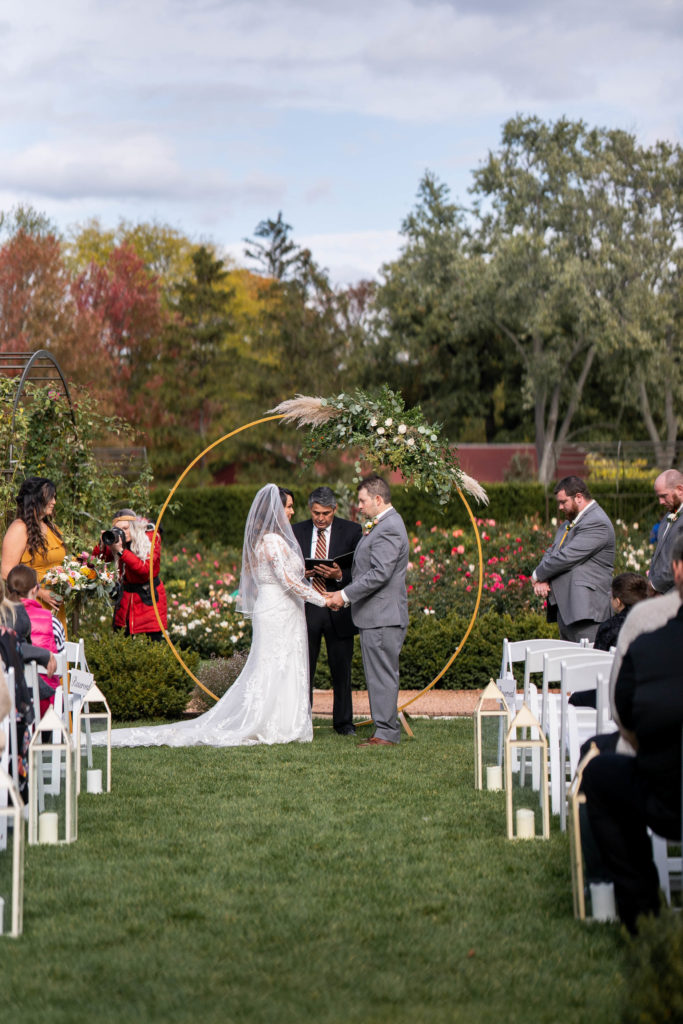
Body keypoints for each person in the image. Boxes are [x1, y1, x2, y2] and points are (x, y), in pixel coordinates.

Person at [98, 484, 326, 748]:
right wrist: (324, 599)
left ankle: (281, 718)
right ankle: (273, 721)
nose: (292, 511)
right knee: (275, 665)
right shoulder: (273, 540)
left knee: (279, 665)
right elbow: (286, 580)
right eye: (288, 506)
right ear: (275, 509)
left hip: (281, 608)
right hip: (278, 609)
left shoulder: (270, 539)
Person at [580, 532, 683, 934]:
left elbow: (623, 715)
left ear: (675, 570)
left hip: (667, 796)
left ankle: (640, 914)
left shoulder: (647, 638)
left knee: (601, 772)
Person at [327, 475, 409, 747]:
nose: (359, 506)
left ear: (377, 499)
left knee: (383, 675)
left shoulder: (389, 527)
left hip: (383, 616)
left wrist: (345, 594)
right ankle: (382, 729)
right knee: (378, 675)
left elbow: (380, 573)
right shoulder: (382, 524)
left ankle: (386, 733)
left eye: (362, 501)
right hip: (376, 615)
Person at [292, 486, 362, 736]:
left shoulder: (353, 531)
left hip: (337, 606)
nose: (320, 518)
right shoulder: (296, 530)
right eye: (315, 513)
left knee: (341, 669)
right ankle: (302, 720)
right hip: (307, 608)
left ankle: (343, 723)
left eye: (325, 513)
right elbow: (286, 570)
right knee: (304, 669)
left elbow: (362, 571)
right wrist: (304, 573)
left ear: (335, 509)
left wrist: (340, 574)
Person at [531, 476, 615, 643]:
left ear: (578, 497)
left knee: (588, 665)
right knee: (569, 666)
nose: (560, 507)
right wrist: (542, 579)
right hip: (568, 610)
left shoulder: (597, 522)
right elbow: (552, 552)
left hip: (587, 610)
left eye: (563, 502)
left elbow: (567, 557)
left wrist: (537, 575)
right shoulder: (568, 524)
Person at [1, 477, 67, 629]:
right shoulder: (20, 528)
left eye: (55, 497)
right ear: (35, 499)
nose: (54, 502)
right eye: (50, 497)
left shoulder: (52, 528)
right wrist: (40, 592)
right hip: (32, 603)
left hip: (55, 605)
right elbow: (6, 572)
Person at [94, 510, 168, 640]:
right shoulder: (118, 541)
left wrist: (122, 552)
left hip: (148, 599)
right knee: (123, 642)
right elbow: (96, 562)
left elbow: (145, 570)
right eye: (117, 529)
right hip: (126, 601)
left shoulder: (150, 537)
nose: (122, 532)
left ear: (134, 526)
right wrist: (102, 544)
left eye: (125, 528)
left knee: (151, 645)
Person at [5, 565, 65, 714]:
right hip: (45, 702)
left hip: (9, 699)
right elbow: (61, 665)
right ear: (34, 590)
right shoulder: (52, 622)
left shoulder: (3, 619)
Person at [648, 469, 683, 595]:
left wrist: (654, 584)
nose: (660, 502)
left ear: (680, 489)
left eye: (664, 496)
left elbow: (679, 562)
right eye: (658, 497)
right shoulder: (668, 516)